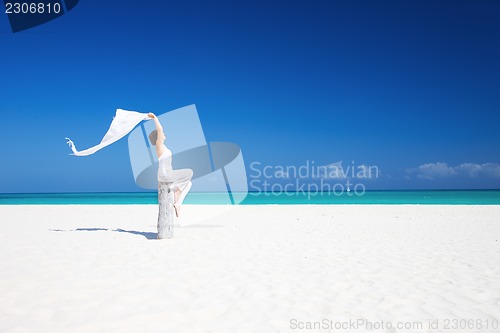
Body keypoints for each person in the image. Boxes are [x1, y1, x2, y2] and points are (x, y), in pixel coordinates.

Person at [148, 113, 193, 217]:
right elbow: (159, 129)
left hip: (169, 174)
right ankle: (175, 188)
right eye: (161, 133)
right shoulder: (159, 146)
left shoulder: (164, 147)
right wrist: (155, 118)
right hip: (164, 175)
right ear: (158, 137)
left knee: (189, 183)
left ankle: (178, 203)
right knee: (190, 172)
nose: (163, 133)